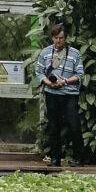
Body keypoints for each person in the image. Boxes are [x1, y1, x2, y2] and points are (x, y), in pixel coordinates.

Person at [35, 22, 85, 167]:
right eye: (56, 38)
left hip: (69, 94)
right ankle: (55, 159)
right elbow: (39, 72)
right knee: (53, 127)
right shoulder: (45, 52)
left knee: (74, 125)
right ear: (52, 38)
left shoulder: (75, 53)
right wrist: (49, 83)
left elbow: (80, 74)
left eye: (61, 38)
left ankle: (79, 159)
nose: (58, 41)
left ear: (65, 38)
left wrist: (66, 81)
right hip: (52, 93)